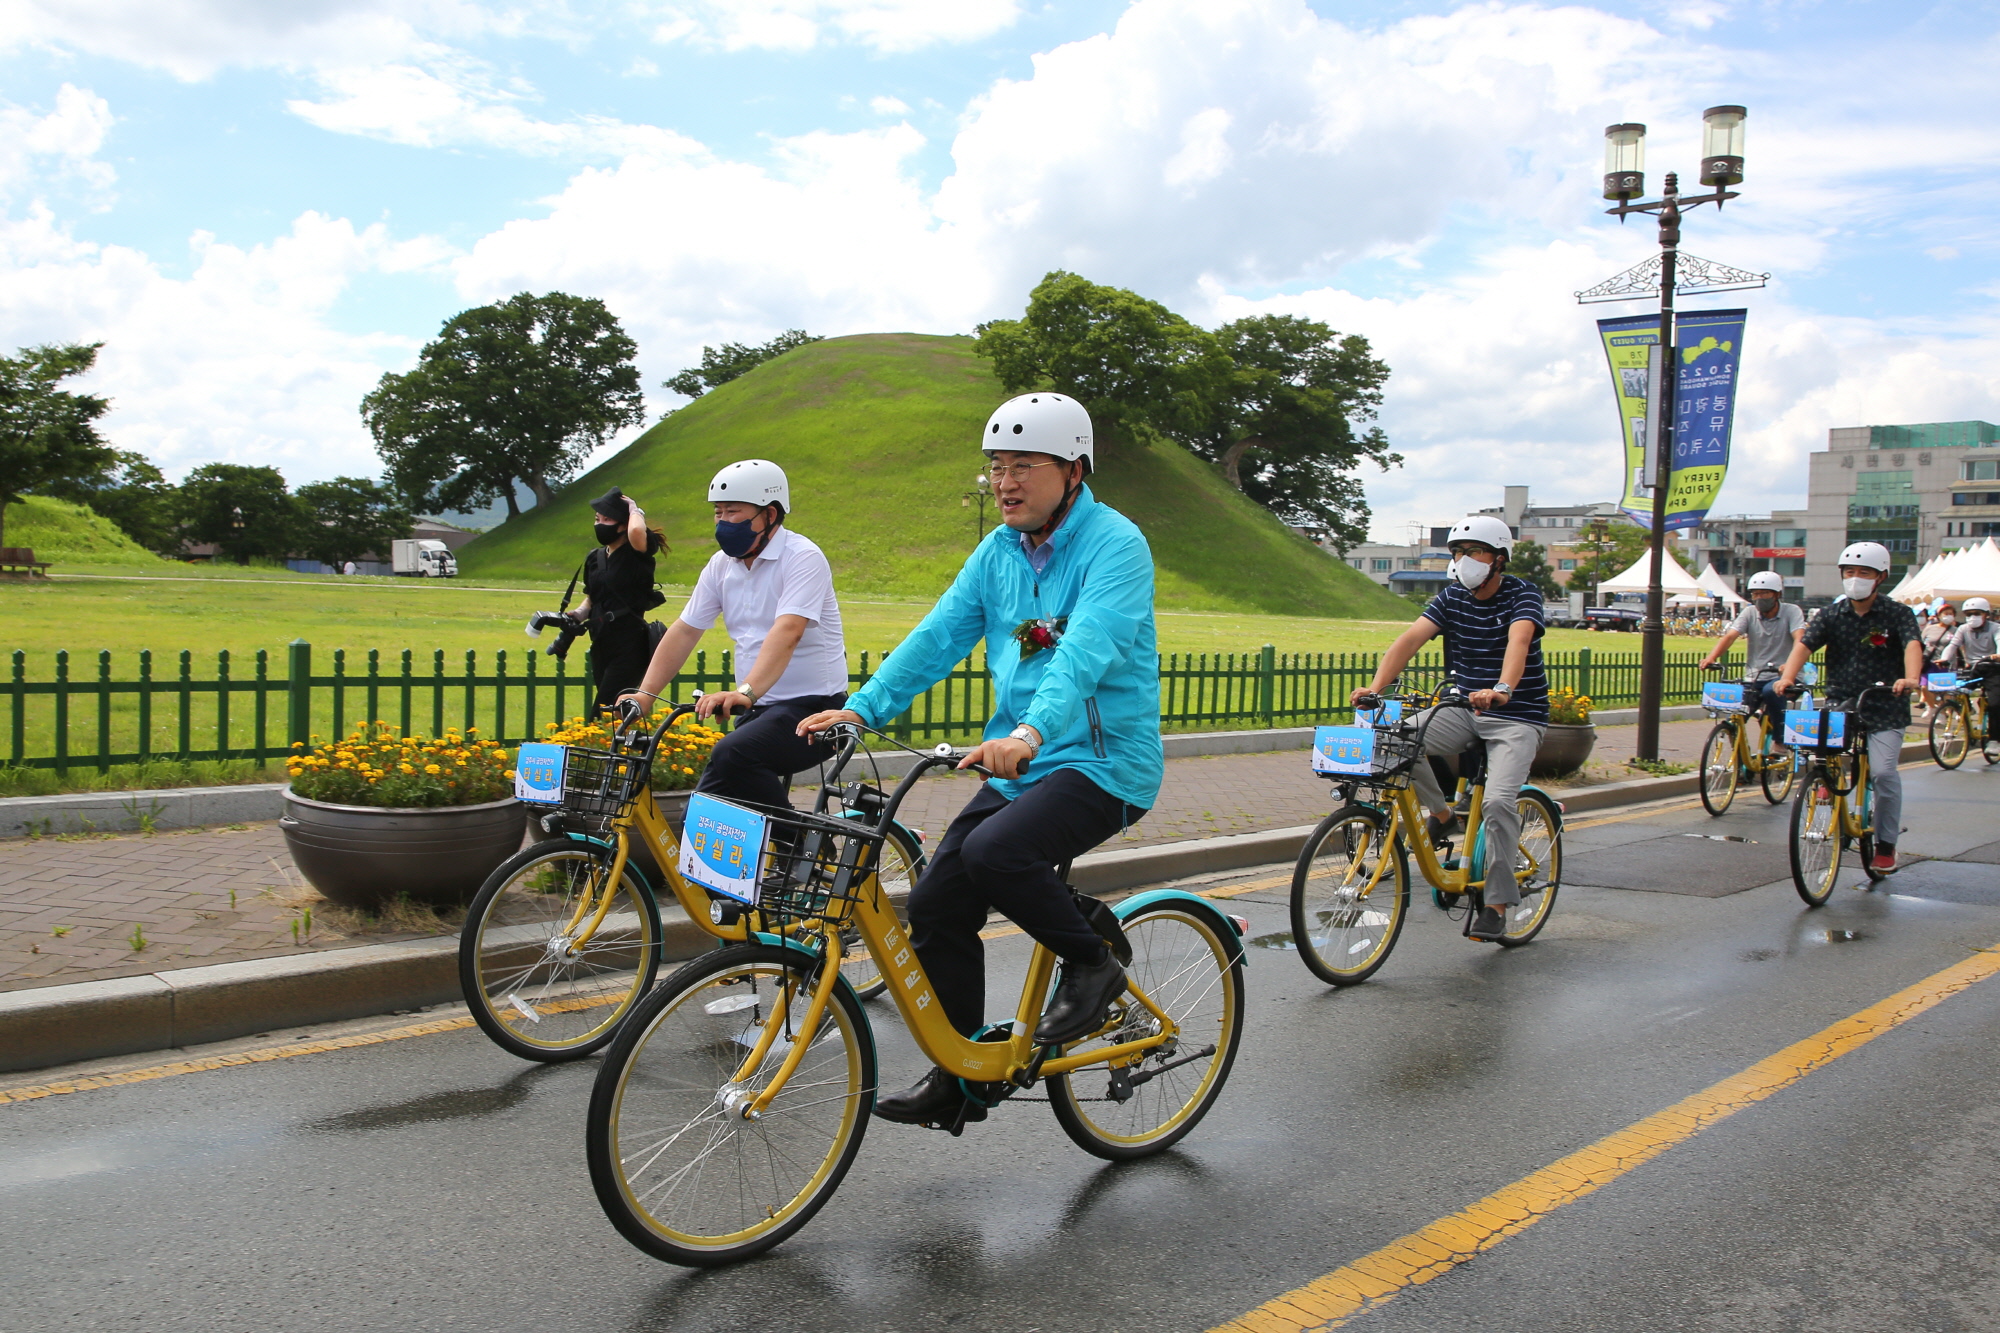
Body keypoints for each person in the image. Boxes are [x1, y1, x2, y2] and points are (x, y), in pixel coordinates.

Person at [796, 392, 1162, 1131]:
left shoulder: (1114, 543)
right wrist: (861, 708)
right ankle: (960, 1071)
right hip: (1023, 761)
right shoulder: (998, 552)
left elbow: (1085, 651)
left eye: (1024, 466)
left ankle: (1094, 964)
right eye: (996, 468)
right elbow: (938, 636)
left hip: (1103, 760)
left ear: (1073, 470)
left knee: (998, 852)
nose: (1005, 482)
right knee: (934, 904)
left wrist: (1028, 732)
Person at [1351, 514, 1547, 943]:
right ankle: (1442, 815)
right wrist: (1376, 687)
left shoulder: (1522, 594)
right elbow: (1409, 639)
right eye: (1457, 553)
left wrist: (1501, 688)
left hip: (1517, 715)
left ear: (1497, 559)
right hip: (1462, 710)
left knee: (1497, 803)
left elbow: (1519, 641)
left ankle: (1496, 905)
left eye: (1472, 552)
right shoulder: (1452, 597)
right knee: (1393, 738)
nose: (1462, 561)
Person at [619, 460, 848, 811]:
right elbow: (685, 630)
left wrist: (744, 692)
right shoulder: (721, 565)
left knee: (734, 754)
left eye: (733, 512)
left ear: (769, 515)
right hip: (759, 710)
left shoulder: (802, 558)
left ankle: (801, 851)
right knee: (707, 809)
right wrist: (645, 694)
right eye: (718, 512)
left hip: (816, 710)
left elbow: (788, 631)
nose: (723, 522)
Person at [1774, 542, 1923, 874]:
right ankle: (1828, 792)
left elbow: (1913, 644)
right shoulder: (1831, 614)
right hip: (1842, 702)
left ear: (1880, 577)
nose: (1855, 579)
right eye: (1850, 573)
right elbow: (1805, 645)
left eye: (1864, 573)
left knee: (1883, 773)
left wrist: (1910, 678)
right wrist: (1787, 677)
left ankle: (1886, 845)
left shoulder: (1898, 614)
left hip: (1886, 706)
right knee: (1821, 758)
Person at [570, 486, 664, 712]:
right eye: (597, 519)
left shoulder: (636, 553)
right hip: (601, 641)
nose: (599, 524)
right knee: (617, 713)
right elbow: (592, 598)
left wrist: (635, 509)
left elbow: (636, 533)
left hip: (629, 644)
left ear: (623, 524)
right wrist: (578, 614)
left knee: (603, 710)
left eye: (607, 519)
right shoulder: (595, 558)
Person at [1700, 570, 1805, 736]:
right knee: (1737, 714)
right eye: (1755, 594)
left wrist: (1791, 665)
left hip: (1786, 676)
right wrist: (1711, 657)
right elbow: (1731, 636)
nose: (1759, 598)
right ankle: (1739, 755)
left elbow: (1800, 639)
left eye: (1765, 593)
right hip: (1755, 676)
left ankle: (1780, 740)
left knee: (1772, 691)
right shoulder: (1749, 613)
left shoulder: (1792, 611)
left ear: (1777, 594)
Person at [1939, 596, 2000, 721]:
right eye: (1968, 614)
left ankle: (1995, 738)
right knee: (1957, 686)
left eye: (1977, 613)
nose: (1972, 617)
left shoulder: (1995, 628)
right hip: (1972, 668)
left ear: (1986, 614)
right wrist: (1944, 659)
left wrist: (1998, 655)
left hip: (1991, 667)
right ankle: (1966, 710)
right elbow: (1953, 645)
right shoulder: (1963, 629)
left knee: (1995, 704)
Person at [1920, 602, 1958, 715]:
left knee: (1944, 691)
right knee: (1924, 687)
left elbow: (1961, 647)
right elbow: (1921, 643)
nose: (1948, 616)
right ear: (1939, 615)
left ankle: (1943, 712)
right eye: (1945, 613)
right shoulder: (1929, 629)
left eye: (1950, 614)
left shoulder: (1955, 630)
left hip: (1947, 664)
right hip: (1930, 663)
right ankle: (1932, 707)